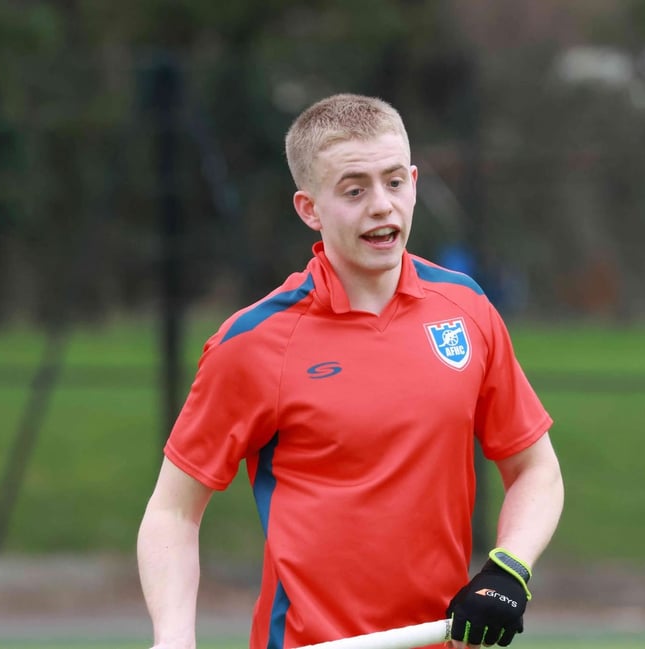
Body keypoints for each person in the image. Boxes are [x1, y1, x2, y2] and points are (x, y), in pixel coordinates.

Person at [137, 93, 564, 649]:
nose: (382, 205)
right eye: (354, 190)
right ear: (309, 208)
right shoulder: (253, 342)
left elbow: (535, 469)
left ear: (414, 181)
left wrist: (508, 568)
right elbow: (173, 511)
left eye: (394, 182)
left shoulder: (467, 309)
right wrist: (174, 640)